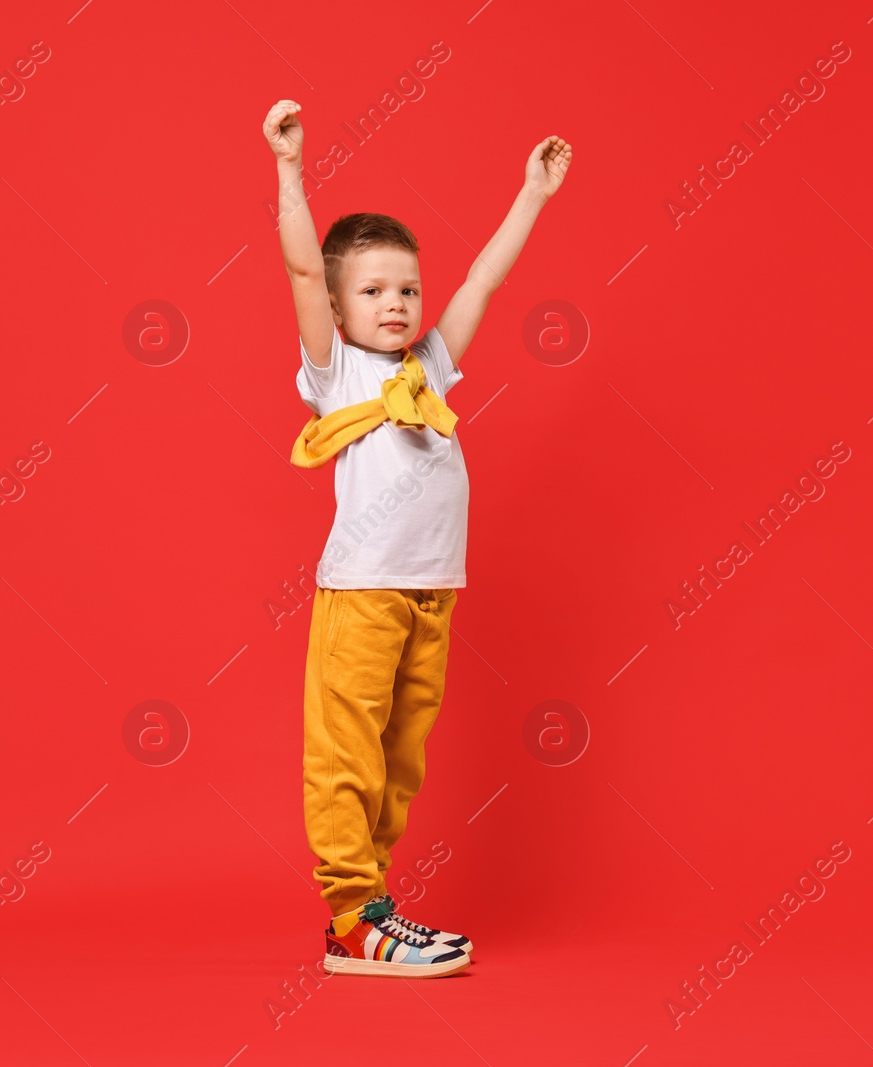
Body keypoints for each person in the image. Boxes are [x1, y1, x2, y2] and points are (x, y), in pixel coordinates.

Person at [262, 98, 572, 977]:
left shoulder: (425, 367)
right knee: (348, 754)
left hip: (433, 591)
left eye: (406, 289)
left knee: (400, 761)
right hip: (363, 589)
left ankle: (366, 916)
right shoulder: (339, 368)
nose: (395, 303)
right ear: (336, 303)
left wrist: (532, 197)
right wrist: (289, 172)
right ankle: (354, 912)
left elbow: (481, 281)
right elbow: (295, 269)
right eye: (372, 290)